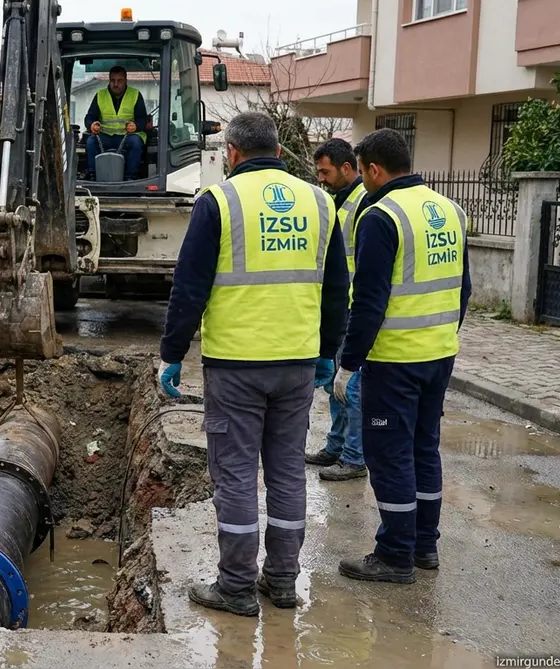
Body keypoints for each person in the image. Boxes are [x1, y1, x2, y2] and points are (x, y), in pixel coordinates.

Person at [158, 111, 349, 616]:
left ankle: (237, 587)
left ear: (232, 154)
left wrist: (172, 354)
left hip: (236, 365)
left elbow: (189, 288)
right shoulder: (320, 202)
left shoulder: (218, 201)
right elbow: (337, 291)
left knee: (238, 474)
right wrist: (330, 352)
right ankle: (283, 581)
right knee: (287, 471)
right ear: (281, 154)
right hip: (298, 364)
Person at [336, 128, 470, 583]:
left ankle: (395, 554)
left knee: (390, 454)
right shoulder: (450, 209)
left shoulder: (380, 216)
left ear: (373, 169)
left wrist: (349, 362)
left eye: (365, 173)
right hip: (439, 353)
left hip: (394, 360)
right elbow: (463, 288)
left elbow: (369, 301)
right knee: (424, 447)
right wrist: (443, 335)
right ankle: (424, 546)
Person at [306, 138, 370, 482]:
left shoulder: (363, 203)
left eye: (325, 171)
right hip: (341, 308)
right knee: (336, 385)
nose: (321, 178)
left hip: (354, 309)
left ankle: (354, 456)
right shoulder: (339, 201)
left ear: (347, 168)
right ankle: (336, 446)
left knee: (352, 386)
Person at [83, 66, 149, 181]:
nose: (116, 84)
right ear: (109, 80)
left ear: (125, 81)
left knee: (136, 142)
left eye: (119, 81)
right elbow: (90, 117)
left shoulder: (135, 95)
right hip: (105, 136)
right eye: (113, 80)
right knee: (90, 142)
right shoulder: (100, 95)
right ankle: (93, 175)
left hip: (127, 136)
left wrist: (136, 126)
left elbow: (143, 118)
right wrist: (92, 125)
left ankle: (130, 177)